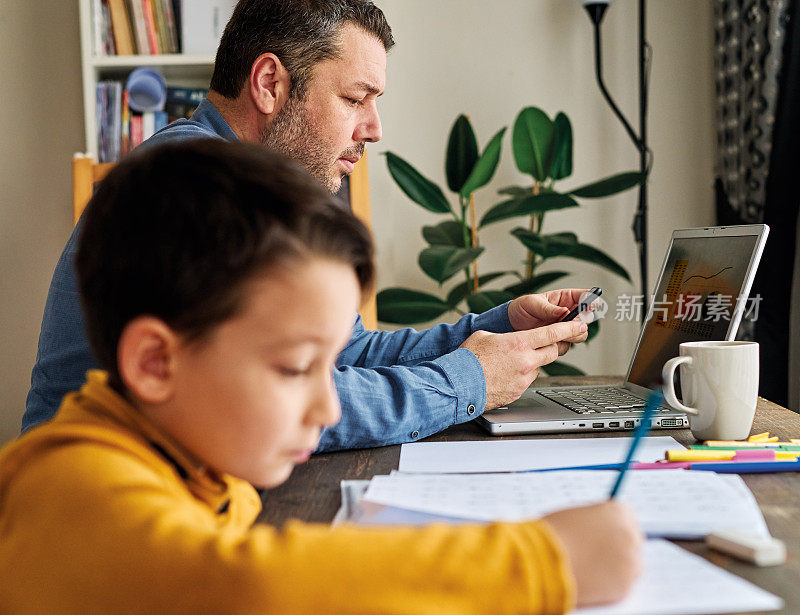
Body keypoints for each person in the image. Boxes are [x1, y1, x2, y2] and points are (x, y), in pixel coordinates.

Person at [0, 141, 641, 613]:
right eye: (295, 367)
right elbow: (249, 587)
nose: (328, 408)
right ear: (155, 364)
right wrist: (541, 562)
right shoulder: (76, 488)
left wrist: (492, 328)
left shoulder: (191, 461)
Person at [23, 0, 590, 450]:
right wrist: (468, 382)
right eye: (354, 98)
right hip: (94, 525)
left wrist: (497, 330)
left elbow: (346, 356)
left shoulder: (264, 193)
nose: (374, 128)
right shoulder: (192, 187)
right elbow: (277, 401)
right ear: (270, 83)